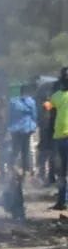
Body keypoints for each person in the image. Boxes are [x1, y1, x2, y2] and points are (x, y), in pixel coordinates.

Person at [9, 83, 38, 177]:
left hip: (15, 129)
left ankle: (12, 170)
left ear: (20, 91)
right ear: (28, 92)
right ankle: (25, 172)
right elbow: (34, 116)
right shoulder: (31, 102)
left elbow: (9, 116)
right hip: (27, 129)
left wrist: (9, 127)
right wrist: (34, 127)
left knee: (15, 151)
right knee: (25, 151)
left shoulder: (13, 101)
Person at [50, 78, 68, 210]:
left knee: (62, 172)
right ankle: (62, 201)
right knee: (62, 172)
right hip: (60, 138)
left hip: (60, 137)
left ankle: (62, 201)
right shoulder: (56, 96)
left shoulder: (56, 96)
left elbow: (47, 107)